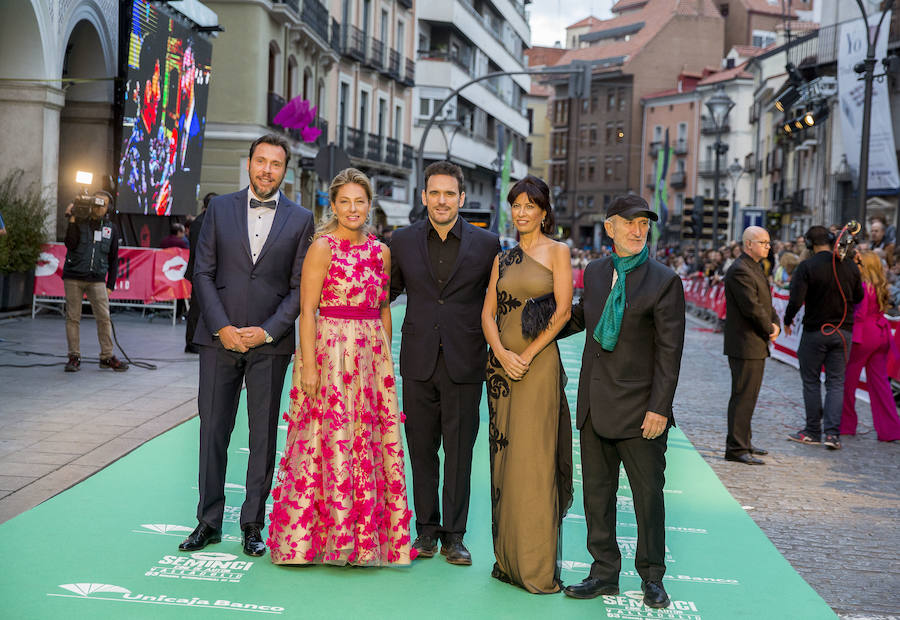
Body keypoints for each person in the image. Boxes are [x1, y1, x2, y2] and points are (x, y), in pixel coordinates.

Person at [267, 169, 413, 565]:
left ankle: (363, 541)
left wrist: (386, 362)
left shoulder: (381, 251)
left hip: (370, 355)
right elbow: (307, 310)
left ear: (370, 205)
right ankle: (310, 540)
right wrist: (309, 365)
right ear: (333, 206)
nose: (353, 209)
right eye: (344, 201)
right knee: (325, 436)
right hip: (330, 352)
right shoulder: (322, 246)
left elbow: (383, 308)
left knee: (366, 441)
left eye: (360, 201)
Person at [179, 134, 315, 557]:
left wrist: (269, 330)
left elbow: (299, 288)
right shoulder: (219, 209)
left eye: (276, 164)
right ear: (250, 163)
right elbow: (201, 273)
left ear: (285, 171)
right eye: (261, 161)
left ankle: (253, 524)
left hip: (269, 344)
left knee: (262, 437)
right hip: (218, 340)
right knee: (213, 431)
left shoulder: (302, 218)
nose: (267, 170)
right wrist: (222, 327)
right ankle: (208, 521)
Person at [560, 195, 685, 609]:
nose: (638, 230)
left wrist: (659, 409)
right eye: (629, 223)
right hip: (596, 403)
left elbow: (670, 353)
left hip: (640, 412)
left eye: (644, 224)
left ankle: (652, 577)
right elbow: (584, 315)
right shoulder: (595, 273)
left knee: (648, 497)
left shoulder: (664, 280)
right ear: (609, 227)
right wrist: (530, 323)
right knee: (597, 494)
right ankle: (603, 573)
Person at [389, 161, 500, 565]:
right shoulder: (400, 242)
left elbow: (499, 303)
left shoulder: (488, 245)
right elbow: (383, 292)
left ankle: (455, 536)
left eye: (449, 194)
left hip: (465, 362)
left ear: (461, 199)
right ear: (424, 197)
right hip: (417, 361)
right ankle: (426, 532)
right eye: (434, 193)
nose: (441, 200)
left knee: (459, 452)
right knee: (421, 449)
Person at [480, 175, 574, 593]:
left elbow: (564, 312)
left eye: (529, 206)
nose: (521, 213)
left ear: (543, 211)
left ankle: (534, 567)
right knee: (505, 462)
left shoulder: (559, 252)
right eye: (515, 205)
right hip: (501, 371)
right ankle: (507, 560)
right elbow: (487, 315)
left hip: (537, 368)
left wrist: (527, 355)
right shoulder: (503, 259)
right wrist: (501, 354)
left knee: (534, 464)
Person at [784, 225, 864, 450]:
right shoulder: (849, 265)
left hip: (815, 331)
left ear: (810, 244)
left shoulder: (807, 266)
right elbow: (859, 296)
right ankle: (832, 435)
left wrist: (787, 320)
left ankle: (812, 431)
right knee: (836, 383)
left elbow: (796, 300)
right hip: (843, 331)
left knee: (811, 382)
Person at [722, 226, 780, 465]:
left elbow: (765, 302)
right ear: (749, 245)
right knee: (743, 395)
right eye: (763, 242)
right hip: (745, 342)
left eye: (768, 242)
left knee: (750, 395)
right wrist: (769, 327)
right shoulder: (740, 270)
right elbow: (751, 307)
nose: (768, 246)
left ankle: (744, 440)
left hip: (755, 342)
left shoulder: (754, 266)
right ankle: (736, 447)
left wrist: (774, 322)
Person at [62, 190, 128, 373]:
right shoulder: (80, 221)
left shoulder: (110, 228)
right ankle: (73, 356)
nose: (99, 207)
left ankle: (107, 356)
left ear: (109, 208)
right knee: (73, 317)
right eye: (97, 202)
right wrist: (73, 218)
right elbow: (70, 243)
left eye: (103, 204)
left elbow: (114, 258)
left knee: (104, 318)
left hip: (97, 279)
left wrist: (110, 285)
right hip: (73, 276)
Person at [840, 251, 900, 442]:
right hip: (881, 334)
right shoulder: (880, 285)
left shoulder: (863, 287)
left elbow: (859, 314)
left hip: (864, 336)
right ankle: (890, 430)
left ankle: (846, 425)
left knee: (848, 382)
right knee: (881, 385)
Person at [184, 192, 217, 353]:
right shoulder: (199, 223)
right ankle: (191, 342)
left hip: (205, 272)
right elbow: (200, 251)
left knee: (202, 307)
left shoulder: (209, 221)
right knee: (196, 308)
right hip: (199, 272)